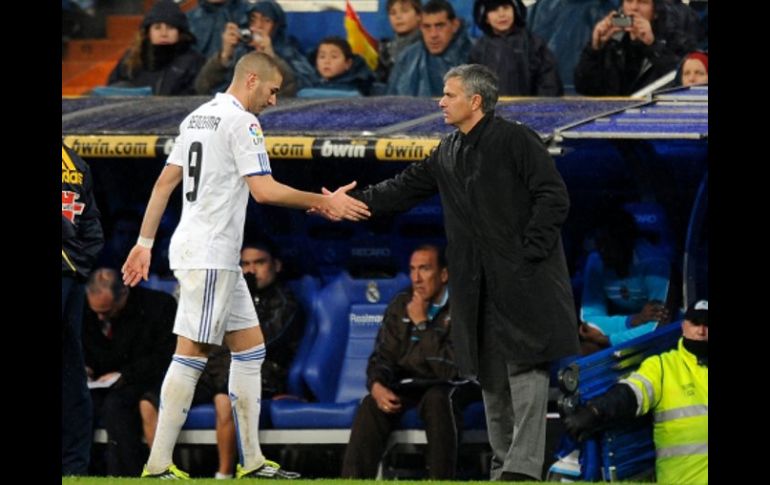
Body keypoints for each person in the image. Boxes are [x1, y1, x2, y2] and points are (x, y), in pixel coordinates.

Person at [121, 51, 370, 479]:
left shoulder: (199, 116)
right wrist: (324, 201)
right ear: (252, 79)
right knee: (191, 353)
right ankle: (158, 464)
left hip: (209, 253)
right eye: (272, 91)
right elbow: (265, 192)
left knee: (251, 350)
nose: (274, 101)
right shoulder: (242, 121)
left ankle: (251, 461)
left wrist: (145, 243)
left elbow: (165, 183)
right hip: (211, 254)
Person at [348, 64, 580, 481]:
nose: (440, 101)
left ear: (475, 101)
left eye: (449, 94)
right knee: (492, 377)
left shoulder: (516, 139)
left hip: (523, 283)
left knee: (527, 371)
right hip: (476, 287)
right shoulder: (447, 150)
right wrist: (353, 204)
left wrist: (526, 257)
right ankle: (503, 463)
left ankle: (524, 469)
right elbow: (402, 187)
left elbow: (553, 197)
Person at [138, 238, 307, 479]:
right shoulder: (225, 292)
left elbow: (264, 342)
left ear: (276, 265)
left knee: (224, 399)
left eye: (259, 262)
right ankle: (163, 469)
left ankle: (224, 475)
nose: (250, 269)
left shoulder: (285, 300)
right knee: (148, 402)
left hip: (260, 370)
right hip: (211, 367)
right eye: (245, 263)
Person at [341, 244, 479, 479]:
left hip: (455, 384)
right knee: (370, 405)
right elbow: (382, 356)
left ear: (444, 274)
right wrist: (376, 385)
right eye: (412, 269)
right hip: (410, 383)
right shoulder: (401, 304)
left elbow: (451, 369)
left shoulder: (463, 306)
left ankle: (442, 480)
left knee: (439, 398)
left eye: (424, 269)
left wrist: (422, 324)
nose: (416, 278)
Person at [564, 300, 708, 484]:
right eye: (696, 323)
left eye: (707, 324)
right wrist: (594, 411)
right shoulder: (663, 367)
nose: (701, 331)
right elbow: (629, 394)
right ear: (683, 326)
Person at [83, 268, 177, 477]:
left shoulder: (159, 306)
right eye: (96, 311)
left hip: (142, 380)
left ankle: (125, 477)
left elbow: (164, 356)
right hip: (97, 382)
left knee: (116, 407)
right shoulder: (85, 310)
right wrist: (83, 366)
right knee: (77, 404)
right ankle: (78, 473)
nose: (100, 317)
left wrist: (124, 374)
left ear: (123, 293)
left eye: (106, 312)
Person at [62, 142, 104, 475]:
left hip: (70, 275)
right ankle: (74, 465)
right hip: (72, 275)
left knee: (71, 372)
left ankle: (74, 464)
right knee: (71, 371)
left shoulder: (76, 163)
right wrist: (79, 267)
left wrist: (76, 268)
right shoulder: (76, 162)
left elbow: (91, 225)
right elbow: (91, 227)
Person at [578, 207, 671, 352]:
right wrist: (633, 320)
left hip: (659, 341)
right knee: (584, 349)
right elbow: (589, 323)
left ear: (627, 241)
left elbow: (657, 326)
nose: (602, 251)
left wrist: (607, 339)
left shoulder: (654, 263)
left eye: (609, 244)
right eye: (599, 243)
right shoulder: (596, 261)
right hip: (630, 328)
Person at [574, 0, 699, 96]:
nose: (634, 7)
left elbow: (683, 83)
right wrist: (594, 49)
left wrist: (652, 45)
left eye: (642, 2)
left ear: (655, 12)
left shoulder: (676, 40)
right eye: (629, 1)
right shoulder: (612, 41)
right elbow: (585, 87)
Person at [195, 0, 316, 97]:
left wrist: (270, 56)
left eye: (266, 21)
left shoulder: (288, 51)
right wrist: (225, 55)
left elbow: (297, 89)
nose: (258, 26)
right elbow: (202, 87)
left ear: (276, 26)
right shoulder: (240, 52)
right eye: (253, 19)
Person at [107, 0, 206, 95]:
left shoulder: (194, 62)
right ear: (148, 32)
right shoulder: (131, 59)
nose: (164, 34)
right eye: (157, 28)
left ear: (179, 32)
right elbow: (112, 90)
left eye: (170, 28)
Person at [469, 0, 563, 96]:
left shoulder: (533, 43)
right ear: (486, 18)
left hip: (529, 109)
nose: (502, 14)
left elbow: (549, 82)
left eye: (506, 8)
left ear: (515, 11)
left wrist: (538, 108)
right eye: (494, 10)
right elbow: (472, 86)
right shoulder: (479, 49)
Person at [386, 0, 471, 96]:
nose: (433, 34)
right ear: (420, 27)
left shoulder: (474, 54)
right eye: (427, 27)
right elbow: (390, 103)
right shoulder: (407, 58)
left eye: (440, 26)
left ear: (455, 25)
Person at [298, 36, 376, 97]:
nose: (327, 61)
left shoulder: (360, 90)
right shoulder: (307, 85)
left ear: (348, 64)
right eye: (322, 56)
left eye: (334, 56)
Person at [376, 0, 423, 83]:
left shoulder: (429, 45)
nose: (398, 17)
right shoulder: (384, 50)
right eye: (393, 13)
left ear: (419, 16)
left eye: (405, 11)